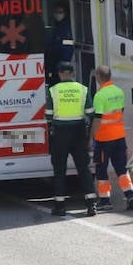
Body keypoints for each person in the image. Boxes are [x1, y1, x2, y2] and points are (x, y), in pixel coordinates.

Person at [46, 60, 96, 217]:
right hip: (79, 132)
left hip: (60, 132)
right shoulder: (83, 89)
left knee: (59, 170)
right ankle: (91, 205)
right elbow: (90, 112)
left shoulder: (53, 90)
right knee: (83, 168)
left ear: (60, 74)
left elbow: (48, 115)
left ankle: (60, 206)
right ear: (73, 73)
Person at [90, 65, 133, 211]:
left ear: (98, 76)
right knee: (121, 168)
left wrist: (91, 137)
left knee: (101, 169)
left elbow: (98, 118)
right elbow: (120, 112)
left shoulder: (100, 95)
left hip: (104, 139)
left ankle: (105, 200)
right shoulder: (118, 91)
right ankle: (130, 194)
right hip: (119, 136)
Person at [44, 2, 73, 86]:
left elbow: (67, 45)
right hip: (55, 62)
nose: (58, 14)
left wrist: (65, 61)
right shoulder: (57, 26)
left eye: (60, 12)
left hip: (61, 62)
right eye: (56, 12)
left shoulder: (65, 28)